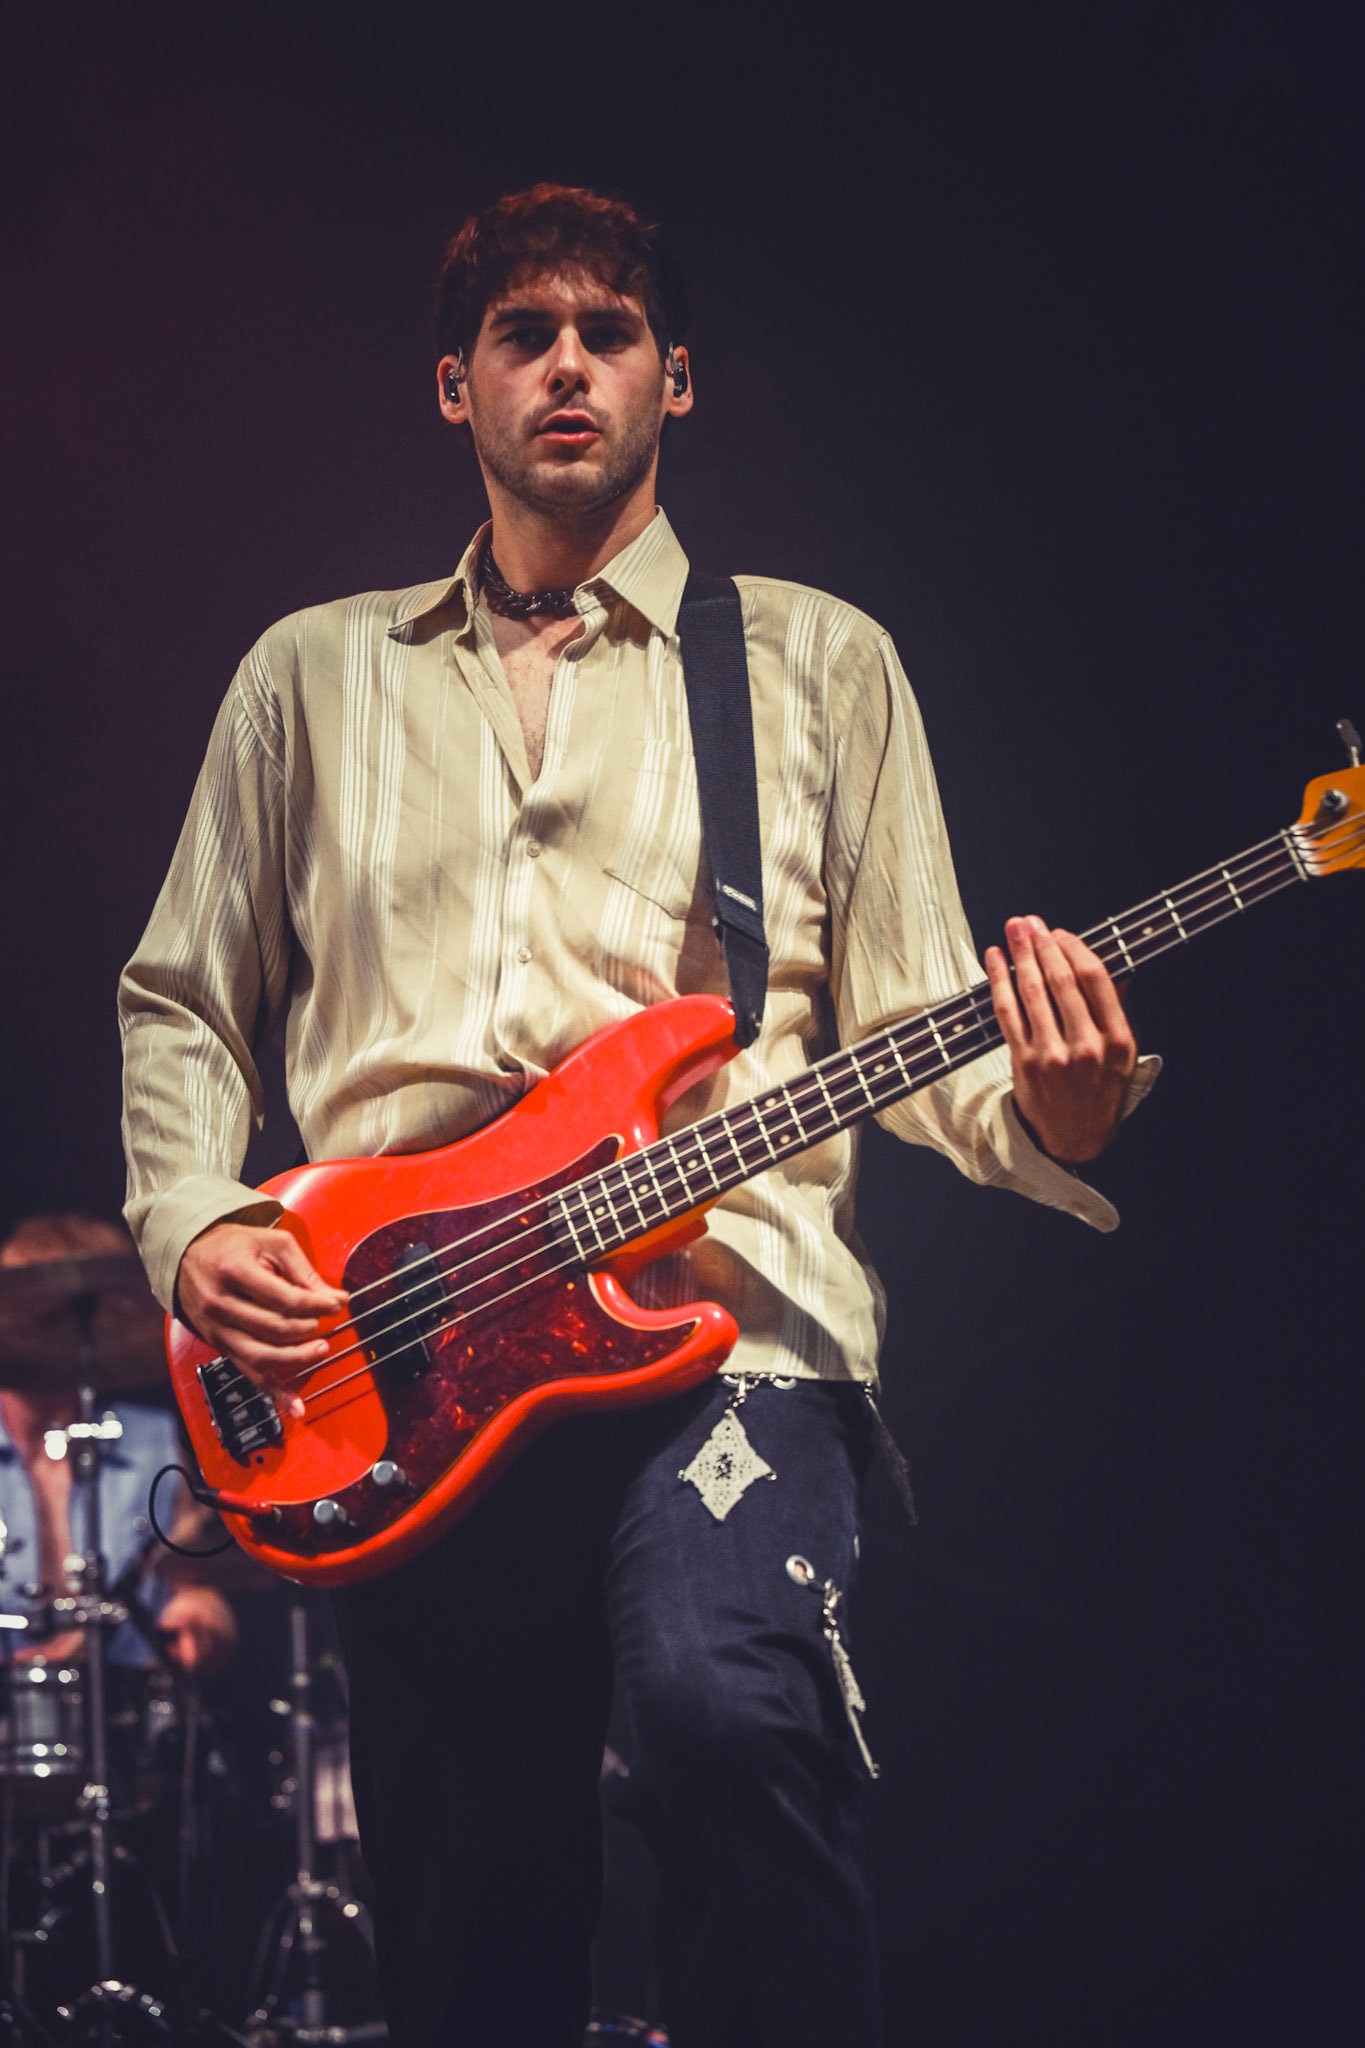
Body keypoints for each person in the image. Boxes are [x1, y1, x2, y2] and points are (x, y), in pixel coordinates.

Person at [118, 185, 1157, 2048]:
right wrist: (197, 1222)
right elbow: (183, 998)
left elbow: (923, 1023)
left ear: (676, 378)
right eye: (524, 335)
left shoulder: (816, 664)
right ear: (456, 385)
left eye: (609, 333)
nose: (568, 366)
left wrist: (1052, 1108)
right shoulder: (308, 674)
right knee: (466, 1904)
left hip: (727, 1319)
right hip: (397, 1351)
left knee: (722, 1707)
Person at [0, 1213, 236, 1676]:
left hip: (128, 1704)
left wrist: (200, 1610)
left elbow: (192, 1578)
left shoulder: (154, 1441)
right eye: (40, 1315)